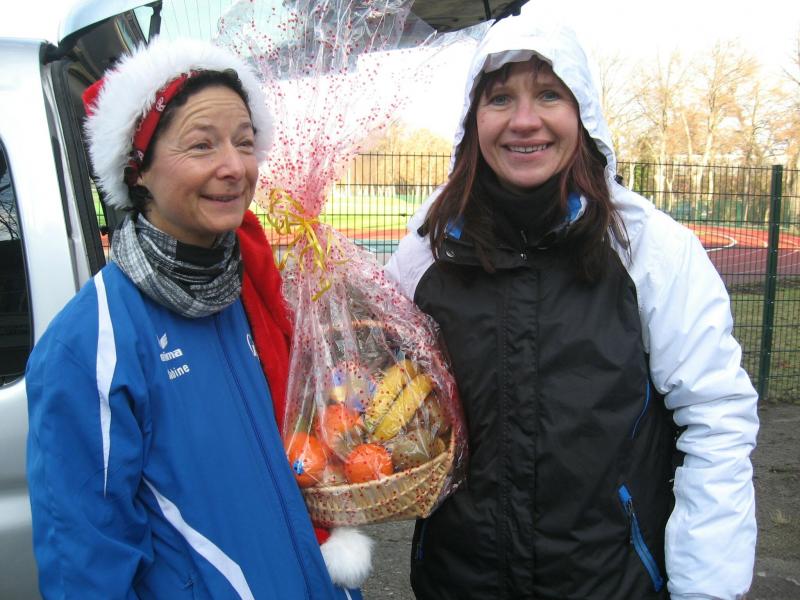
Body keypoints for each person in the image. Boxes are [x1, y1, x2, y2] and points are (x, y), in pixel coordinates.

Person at [385, 12, 759, 600]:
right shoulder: (426, 250)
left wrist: (707, 587)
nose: (524, 120)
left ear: (582, 111)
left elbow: (716, 417)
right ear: (472, 118)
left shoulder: (649, 250)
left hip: (612, 584)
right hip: (457, 583)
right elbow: (374, 391)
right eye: (500, 98)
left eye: (549, 95)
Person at [25, 37, 370, 599]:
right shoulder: (89, 344)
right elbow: (85, 569)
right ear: (137, 169)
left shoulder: (257, 295)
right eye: (202, 145)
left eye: (244, 142)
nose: (234, 167)